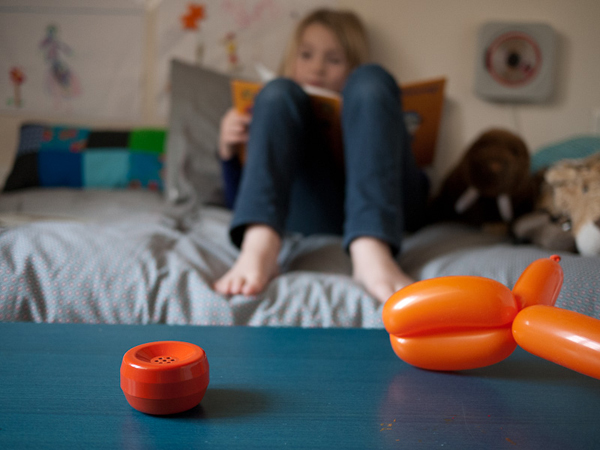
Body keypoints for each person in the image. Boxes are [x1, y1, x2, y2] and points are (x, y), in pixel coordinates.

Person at [213, 8, 429, 303]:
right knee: (277, 93)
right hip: (309, 215)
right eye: (306, 55)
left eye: (334, 60)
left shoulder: (364, 86)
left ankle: (371, 246)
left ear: (350, 64)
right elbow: (237, 202)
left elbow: (417, 203)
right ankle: (260, 244)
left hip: (386, 210)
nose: (317, 68)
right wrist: (227, 152)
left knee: (372, 80)